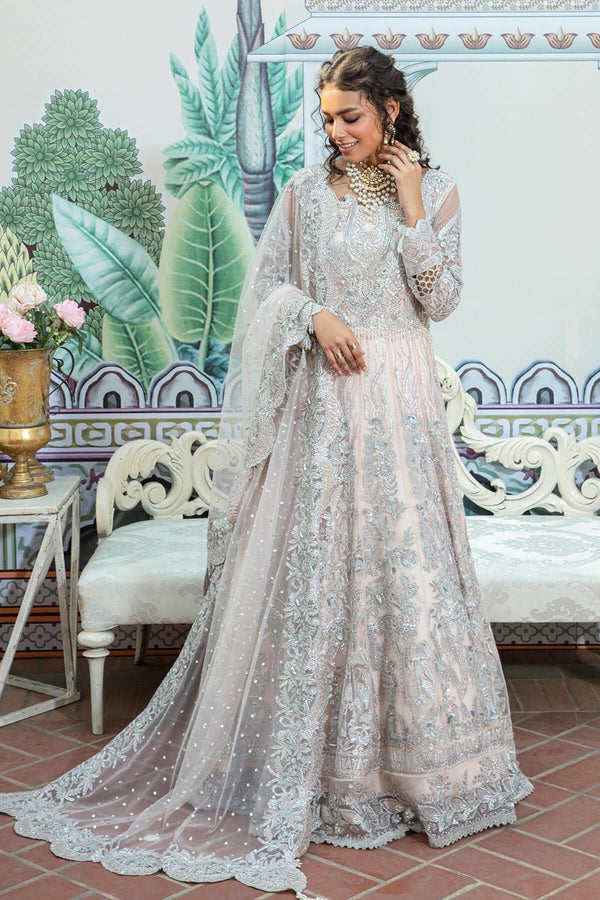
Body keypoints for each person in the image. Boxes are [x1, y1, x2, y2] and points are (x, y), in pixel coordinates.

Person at [0, 46, 533, 899]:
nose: (336, 131)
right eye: (327, 118)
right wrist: (313, 314)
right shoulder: (303, 195)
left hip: (400, 415)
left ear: (391, 110)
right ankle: (316, 769)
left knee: (405, 575)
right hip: (325, 411)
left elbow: (439, 300)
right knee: (318, 576)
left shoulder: (436, 191)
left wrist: (410, 207)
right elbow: (265, 294)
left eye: (350, 116)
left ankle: (416, 771)